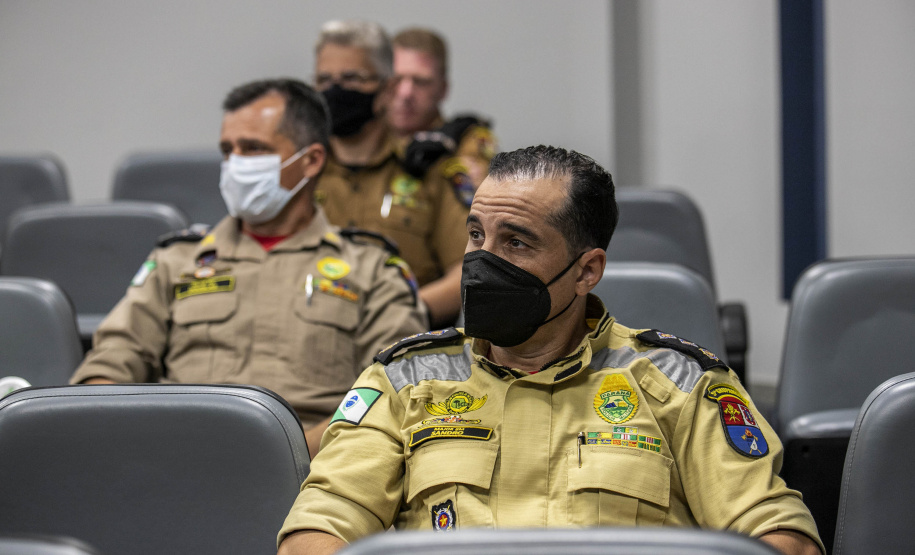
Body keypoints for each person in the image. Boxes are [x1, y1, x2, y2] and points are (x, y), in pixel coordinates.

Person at [276, 146, 824, 555]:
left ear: (587, 270)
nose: (482, 261)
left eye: (516, 242)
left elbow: (783, 538)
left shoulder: (680, 384)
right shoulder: (404, 381)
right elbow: (318, 528)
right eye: (476, 236)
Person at [70, 79, 427, 458]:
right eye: (228, 150)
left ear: (311, 160)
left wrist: (287, 457)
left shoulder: (372, 267)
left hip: (316, 469)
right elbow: (111, 361)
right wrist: (124, 437)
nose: (236, 163)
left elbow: (393, 387)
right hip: (171, 459)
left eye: (254, 149)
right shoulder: (177, 261)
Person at [311, 20, 468, 328]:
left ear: (388, 88)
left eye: (352, 78)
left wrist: (399, 314)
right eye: (324, 80)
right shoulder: (299, 171)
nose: (336, 90)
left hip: (407, 348)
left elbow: (468, 271)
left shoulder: (432, 169)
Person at [388, 27, 497, 194]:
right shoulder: (357, 141)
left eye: (421, 82)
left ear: (443, 89)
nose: (405, 93)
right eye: (396, 79)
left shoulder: (463, 146)